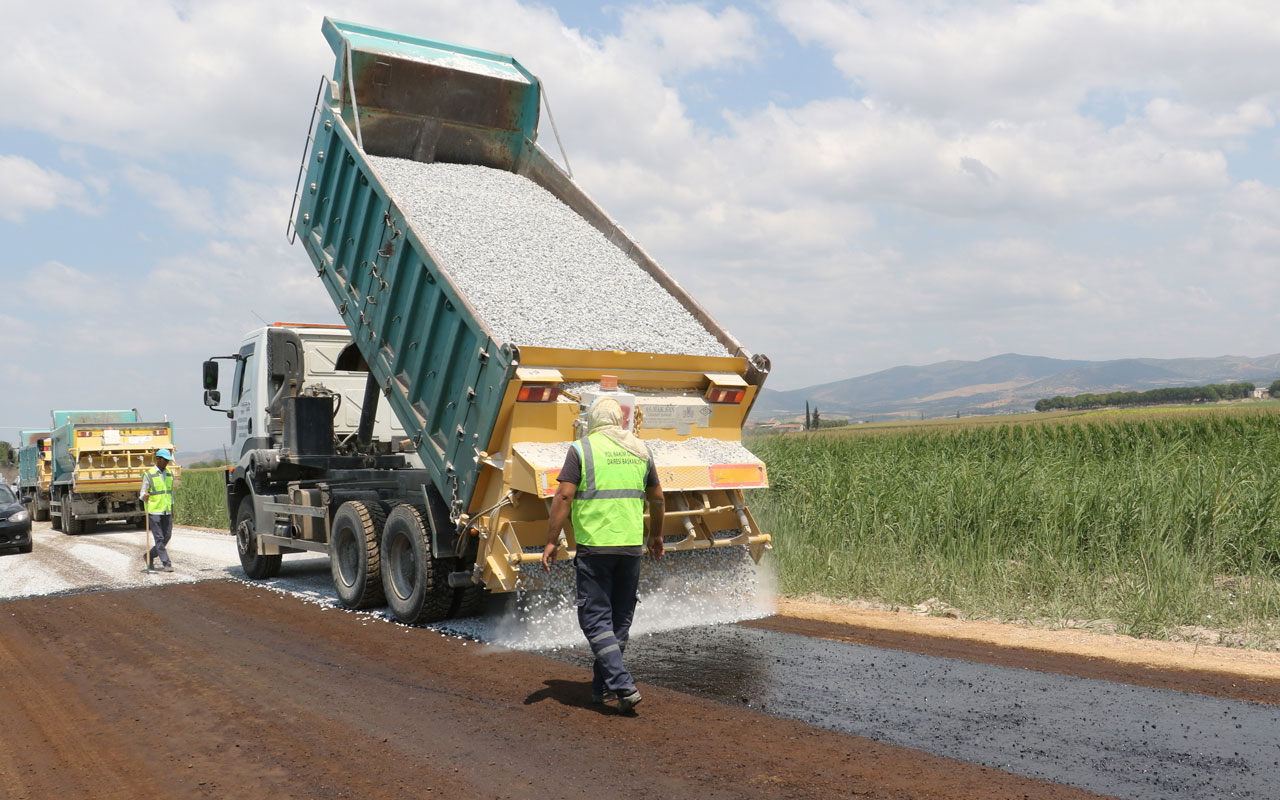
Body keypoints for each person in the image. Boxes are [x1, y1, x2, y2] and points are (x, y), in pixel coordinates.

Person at [542, 397, 664, 713]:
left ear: (593, 421)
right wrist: (656, 536)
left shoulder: (581, 449)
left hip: (595, 548)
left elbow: (564, 495)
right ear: (620, 421)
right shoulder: (641, 450)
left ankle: (622, 684)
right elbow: (658, 498)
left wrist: (551, 541)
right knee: (619, 619)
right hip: (630, 549)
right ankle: (603, 689)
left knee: (595, 618)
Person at [140, 448, 176, 572]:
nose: (166, 463)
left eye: (168, 461)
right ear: (158, 459)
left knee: (167, 536)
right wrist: (144, 496)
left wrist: (172, 508)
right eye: (165, 460)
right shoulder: (148, 475)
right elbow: (142, 493)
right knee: (159, 538)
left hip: (166, 510)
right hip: (154, 511)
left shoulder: (170, 474)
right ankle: (166, 562)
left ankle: (149, 556)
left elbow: (170, 493)